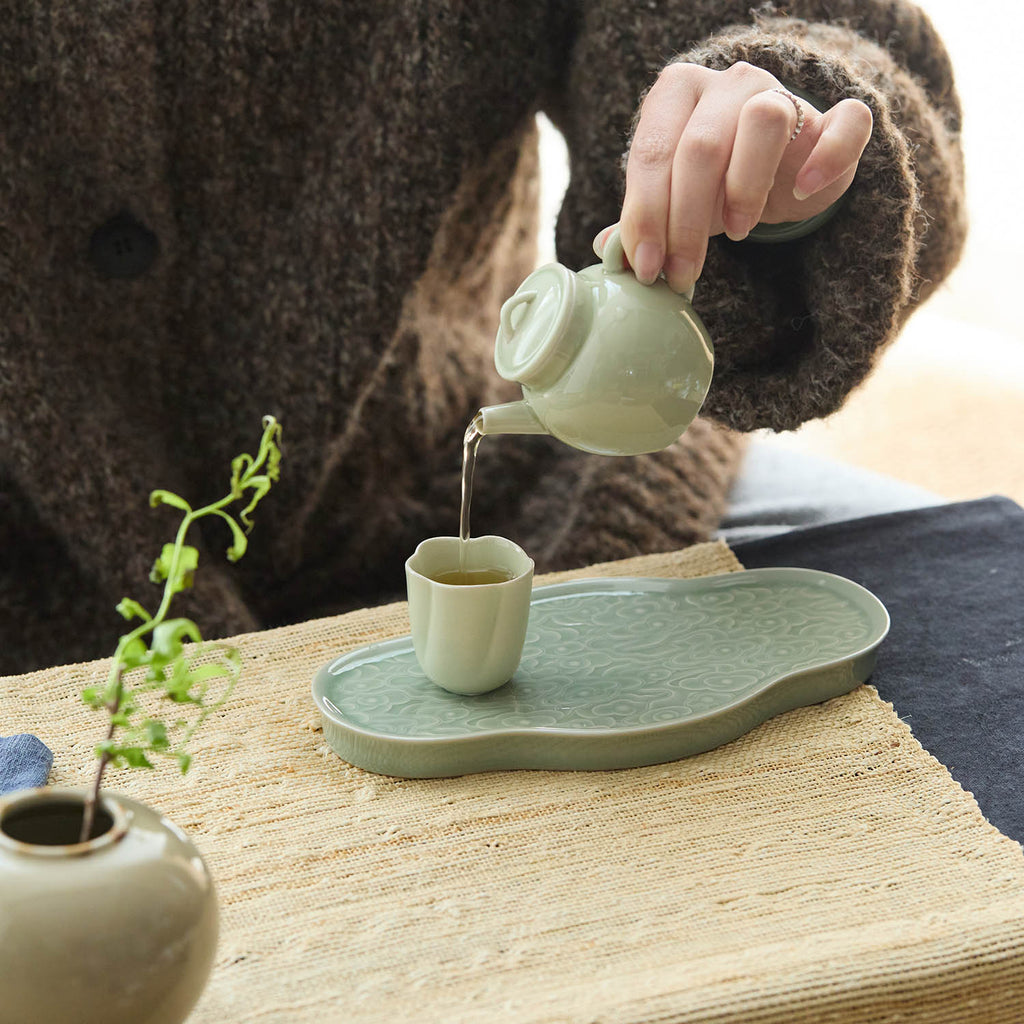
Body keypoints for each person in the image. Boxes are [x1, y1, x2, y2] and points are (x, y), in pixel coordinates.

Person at [0, 1, 966, 673]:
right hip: (34, 596)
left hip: (513, 478)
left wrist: (768, 151)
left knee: (968, 615)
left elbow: (806, 27)